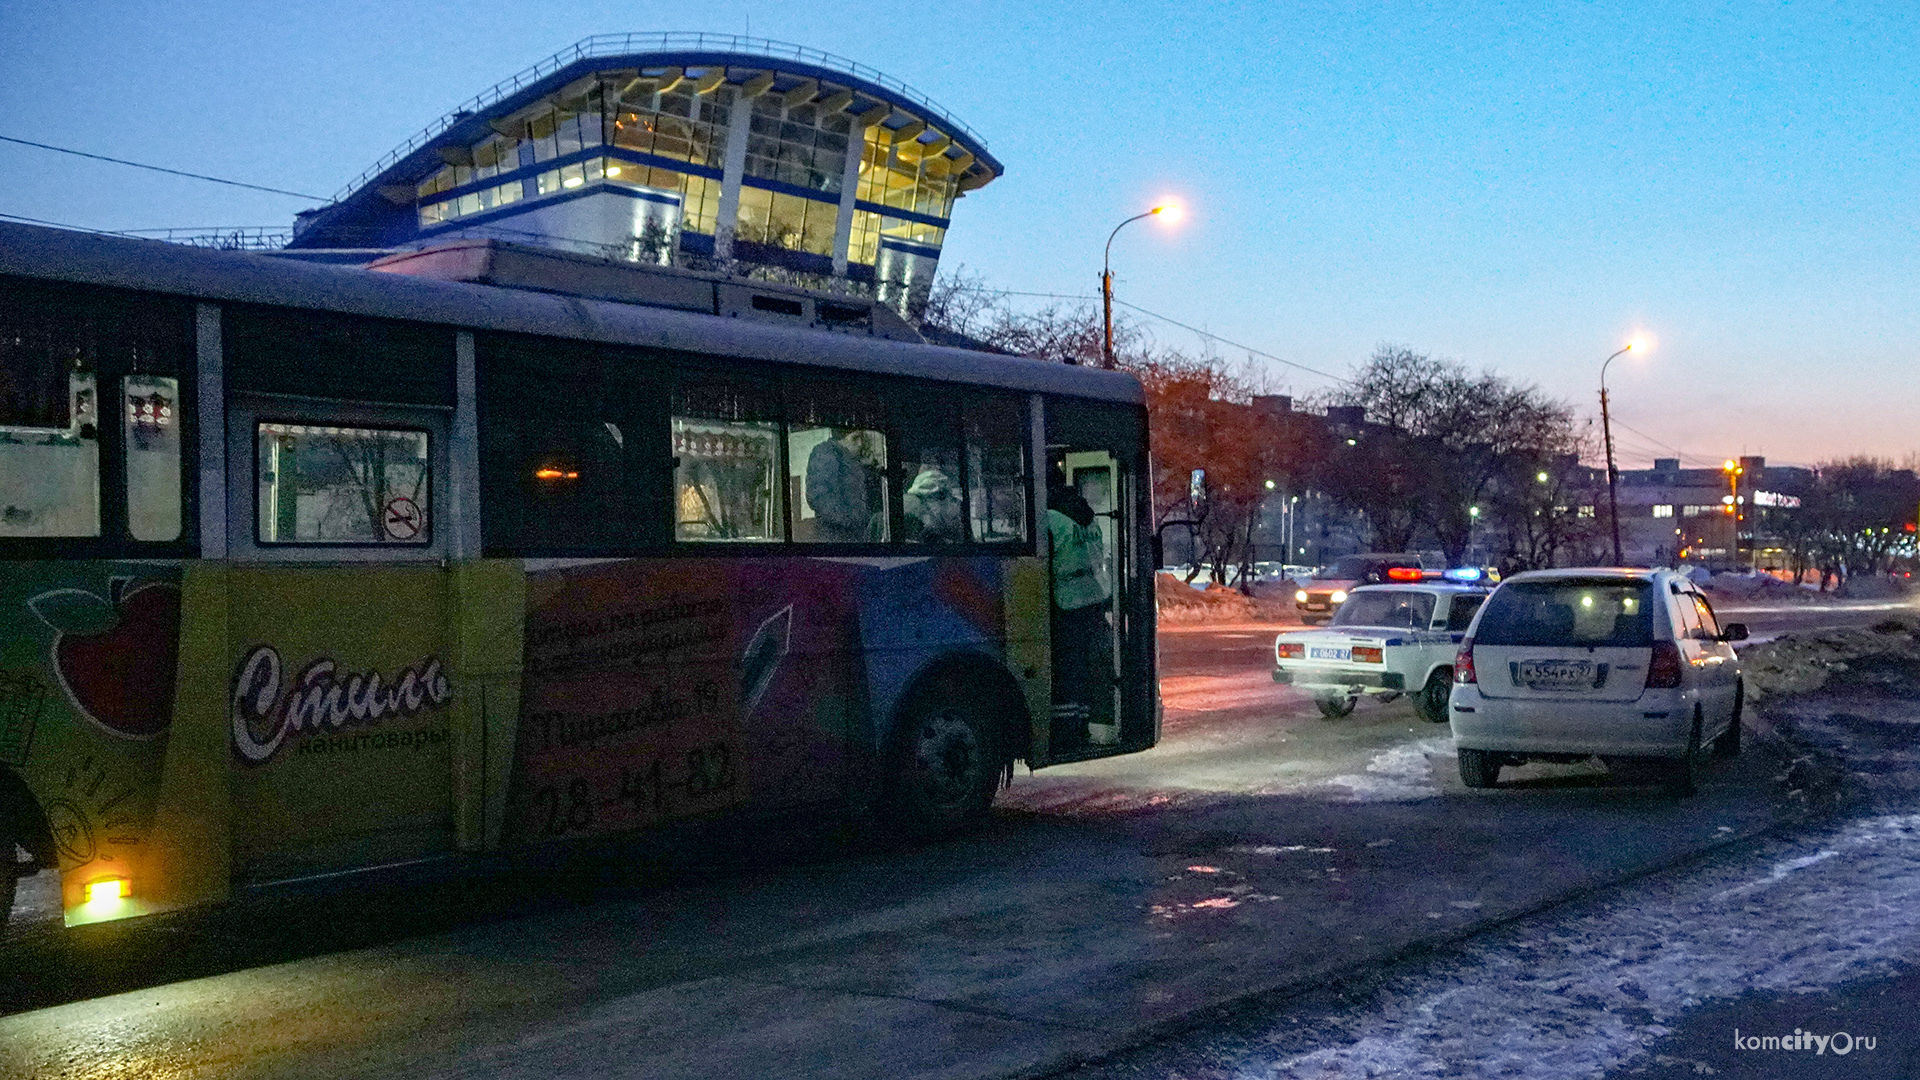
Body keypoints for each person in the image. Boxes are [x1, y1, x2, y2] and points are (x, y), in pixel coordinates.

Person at [1047, 463, 1111, 748]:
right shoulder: (1086, 515)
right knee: (1085, 668)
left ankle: (1065, 732)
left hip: (1065, 599)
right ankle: (1082, 727)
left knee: (1065, 669)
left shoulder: (1049, 518)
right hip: (1092, 595)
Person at [805, 429, 874, 542]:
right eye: (855, 438)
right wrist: (852, 520)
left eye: (862, 439)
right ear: (840, 439)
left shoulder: (852, 460)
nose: (860, 444)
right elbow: (819, 497)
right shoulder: (825, 453)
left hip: (855, 534)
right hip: (836, 536)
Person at [902, 467, 964, 543]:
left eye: (941, 497)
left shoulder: (955, 517)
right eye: (921, 498)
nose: (924, 505)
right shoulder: (912, 519)